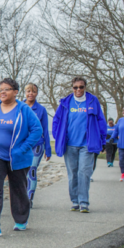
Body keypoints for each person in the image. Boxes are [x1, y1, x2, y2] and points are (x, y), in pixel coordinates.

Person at [0, 79, 43, 237]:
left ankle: (21, 219)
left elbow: (37, 130)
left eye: (6, 89)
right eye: (0, 90)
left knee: (18, 189)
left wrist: (23, 148)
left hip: (18, 157)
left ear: (16, 92)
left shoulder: (24, 110)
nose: (2, 92)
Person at [52, 77, 106, 213]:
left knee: (84, 173)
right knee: (73, 174)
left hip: (87, 145)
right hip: (69, 145)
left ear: (85, 87)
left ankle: (84, 202)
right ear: (72, 88)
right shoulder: (65, 102)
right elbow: (56, 120)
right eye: (75, 87)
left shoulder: (93, 101)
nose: (78, 90)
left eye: (81, 87)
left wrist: (103, 139)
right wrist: (57, 136)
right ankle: (75, 201)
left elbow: (101, 121)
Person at [23, 83, 52, 207]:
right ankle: (21, 197)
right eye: (28, 91)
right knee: (21, 172)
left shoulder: (41, 110)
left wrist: (48, 148)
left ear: (37, 93)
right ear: (24, 92)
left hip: (37, 145)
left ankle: (29, 199)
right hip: (22, 145)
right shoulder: (19, 107)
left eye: (33, 91)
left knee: (32, 170)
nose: (31, 94)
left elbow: (45, 129)